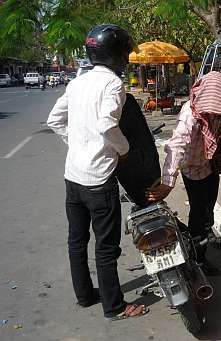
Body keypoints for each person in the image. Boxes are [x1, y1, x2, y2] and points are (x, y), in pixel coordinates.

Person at [47, 24, 148, 320]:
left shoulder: (78, 82)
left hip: (73, 176)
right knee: (106, 248)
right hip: (98, 181)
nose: (127, 59)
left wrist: (78, 144)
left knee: (76, 241)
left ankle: (85, 296)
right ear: (116, 55)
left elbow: (55, 120)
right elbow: (106, 125)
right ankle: (115, 306)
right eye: (125, 53)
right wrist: (124, 149)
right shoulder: (113, 85)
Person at [146, 71, 221, 276]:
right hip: (192, 170)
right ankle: (198, 260)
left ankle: (201, 239)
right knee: (199, 215)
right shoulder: (190, 113)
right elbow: (176, 145)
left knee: (207, 211)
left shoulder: (218, 111)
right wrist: (168, 182)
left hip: (210, 167)